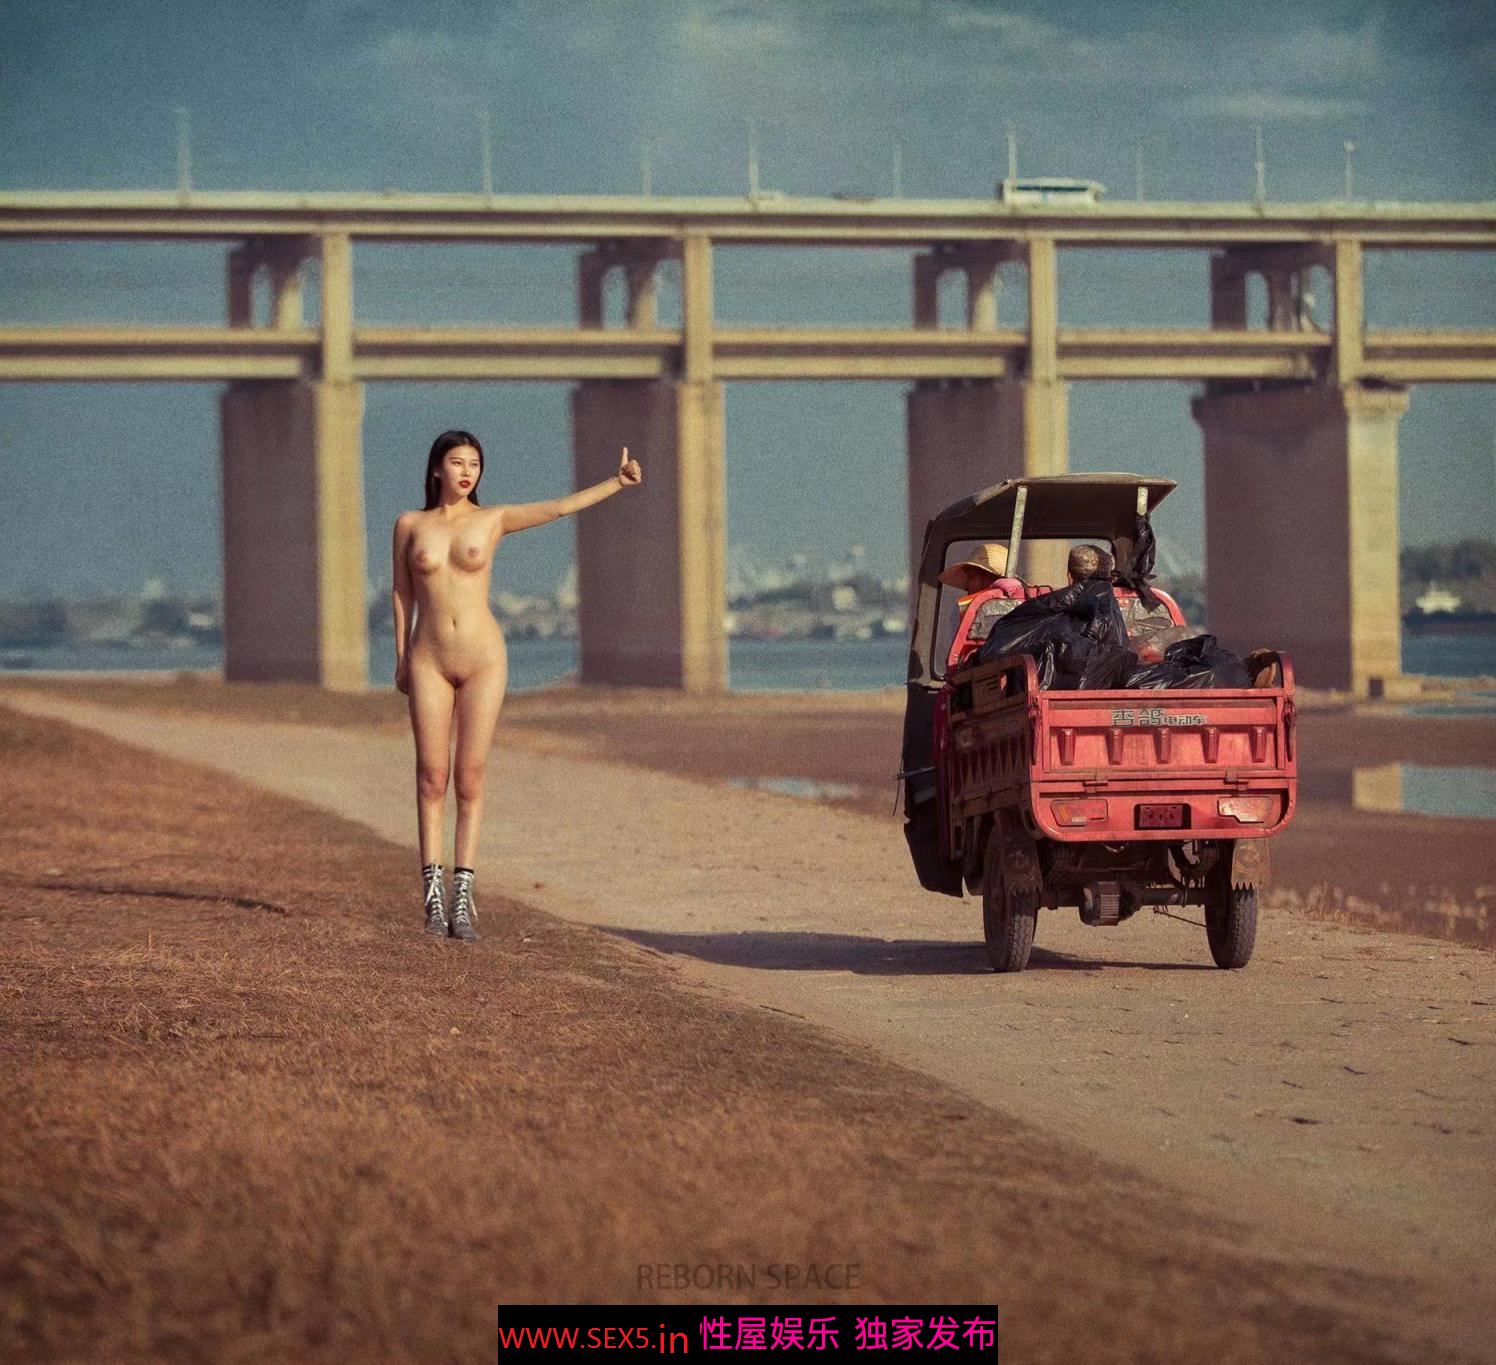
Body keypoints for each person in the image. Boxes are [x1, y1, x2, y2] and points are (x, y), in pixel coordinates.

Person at [391, 430, 643, 941]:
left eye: (474, 464)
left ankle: (462, 900)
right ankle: (432, 900)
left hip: (484, 659)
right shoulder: (410, 525)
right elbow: (402, 593)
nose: (467, 472)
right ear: (436, 468)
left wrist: (615, 484)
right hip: (428, 659)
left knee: (470, 778)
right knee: (431, 777)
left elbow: (558, 508)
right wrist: (400, 658)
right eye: (457, 462)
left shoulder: (494, 519)